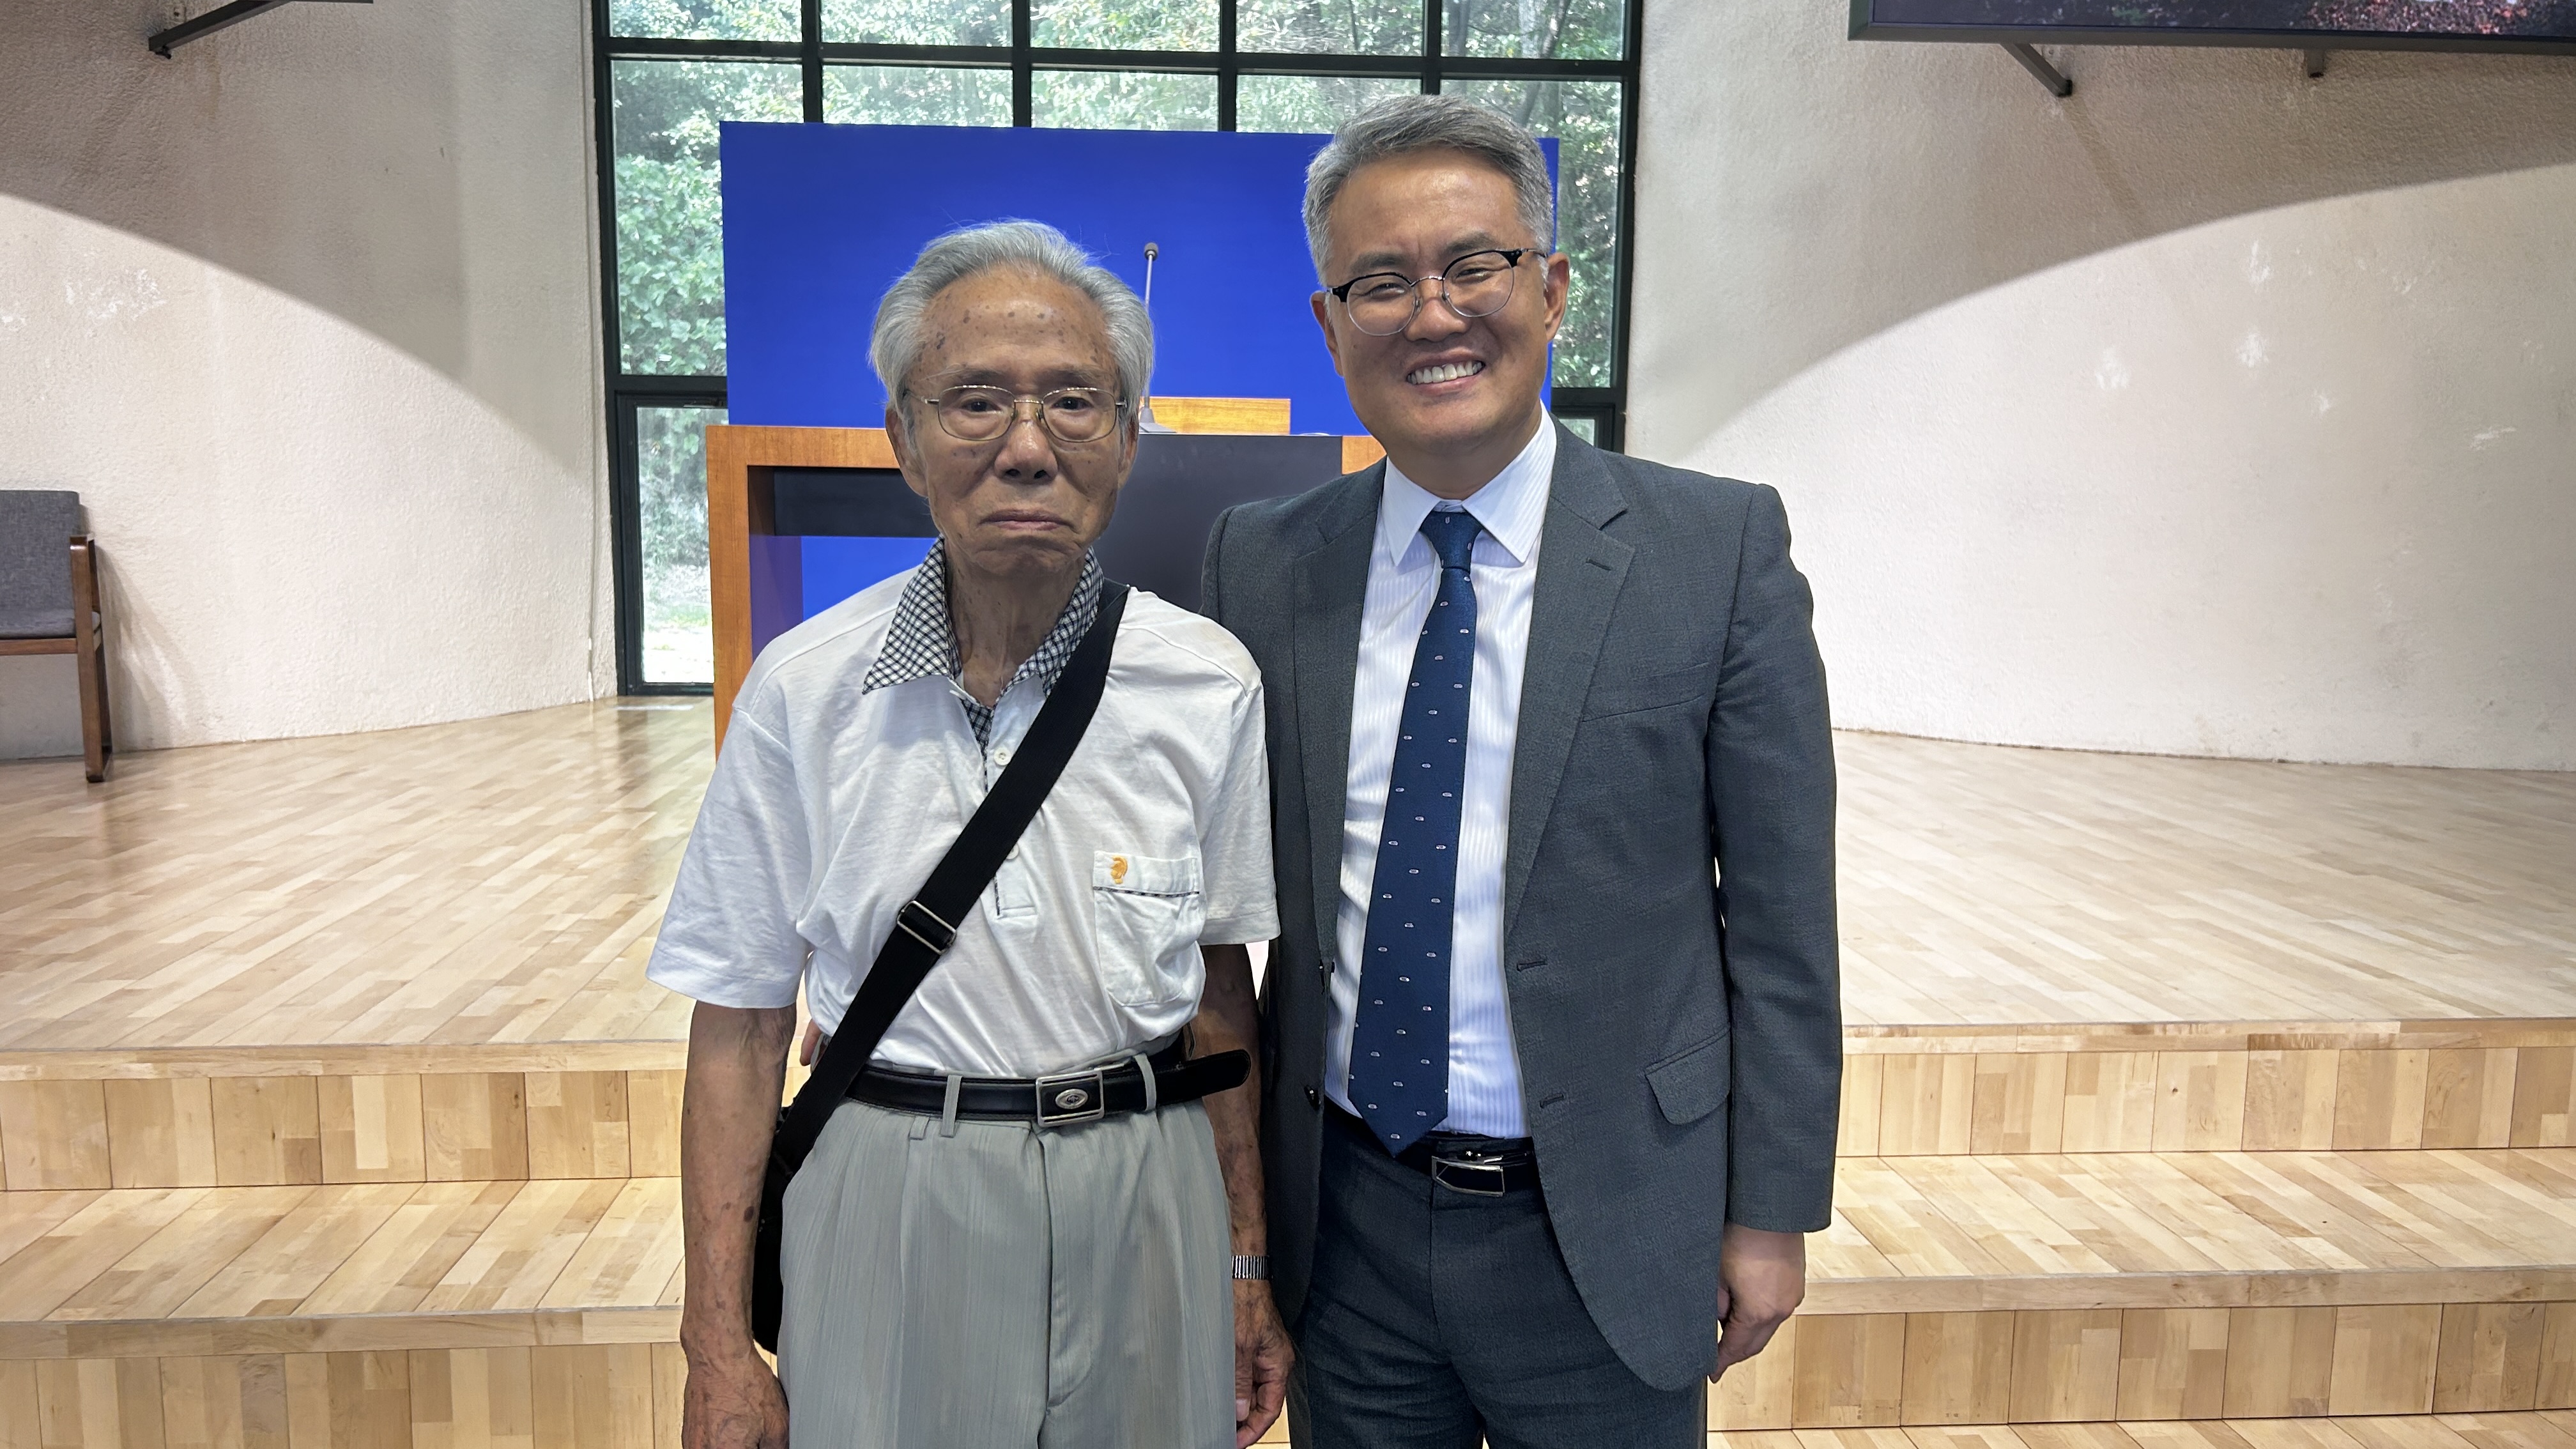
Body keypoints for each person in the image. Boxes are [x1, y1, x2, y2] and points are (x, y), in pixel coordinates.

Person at [1199, 96, 1841, 1446]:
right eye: (1381, 282)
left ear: (1550, 291)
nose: (1432, 314)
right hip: (1349, 1231)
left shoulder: (1714, 551)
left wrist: (1771, 1211)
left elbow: (1784, 924)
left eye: (1473, 266)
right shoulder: (1260, 562)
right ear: (1329, 325)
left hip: (1608, 1220)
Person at [654, 220, 1292, 1449]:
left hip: (1146, 1185)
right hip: (891, 1189)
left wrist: (1245, 1268)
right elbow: (739, 1025)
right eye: (976, 401)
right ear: (903, 437)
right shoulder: (803, 690)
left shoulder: (1208, 682)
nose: (1028, 447)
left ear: (1128, 438)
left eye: (1075, 402)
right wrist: (716, 1347)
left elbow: (1221, 1001)